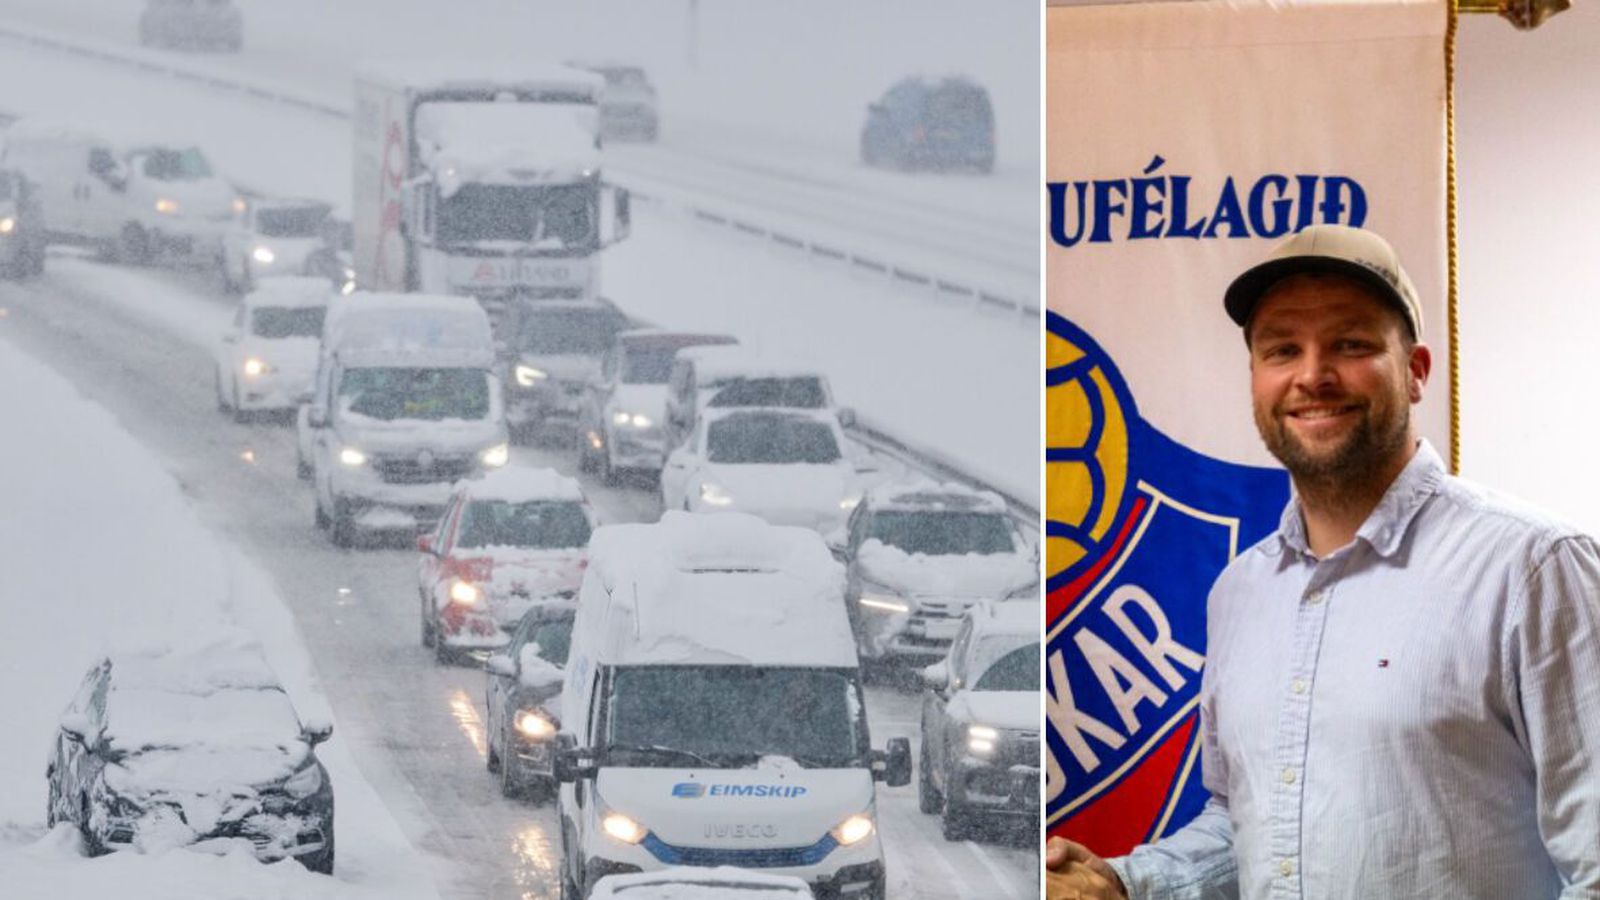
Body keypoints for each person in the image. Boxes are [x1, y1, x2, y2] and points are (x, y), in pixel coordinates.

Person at [1045, 224, 1600, 899]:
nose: (1312, 375)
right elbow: (1247, 824)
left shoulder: (1535, 569)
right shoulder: (1240, 592)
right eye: (1283, 349)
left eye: (1351, 344)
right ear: (1256, 379)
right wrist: (1126, 882)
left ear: (1416, 371)